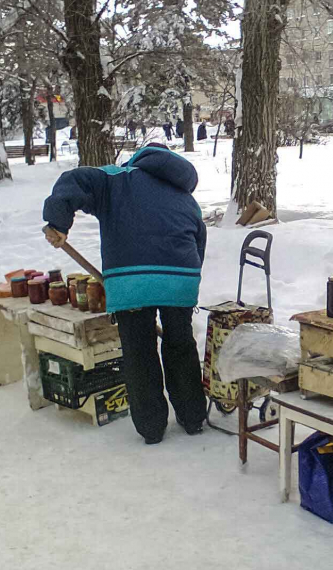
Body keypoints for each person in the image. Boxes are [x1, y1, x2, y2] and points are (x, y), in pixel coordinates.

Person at [42, 143, 208, 443]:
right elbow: (199, 240)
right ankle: (193, 417)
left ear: (139, 159)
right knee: (180, 345)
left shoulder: (117, 177)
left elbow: (74, 181)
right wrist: (184, 284)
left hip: (131, 281)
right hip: (182, 278)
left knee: (139, 351)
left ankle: (152, 428)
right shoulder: (185, 196)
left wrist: (58, 221)